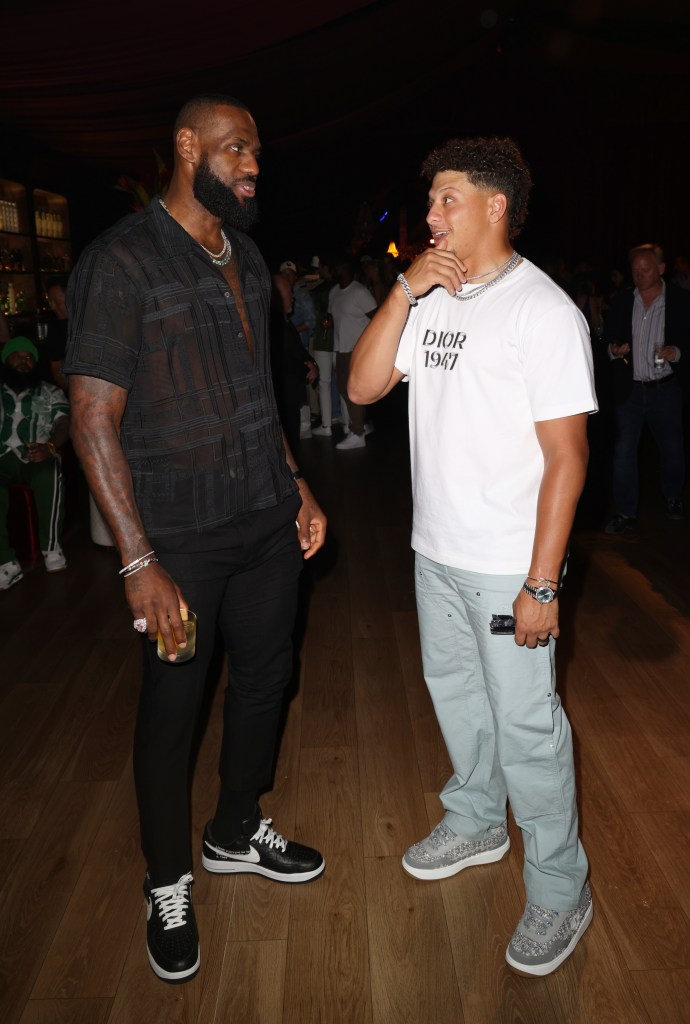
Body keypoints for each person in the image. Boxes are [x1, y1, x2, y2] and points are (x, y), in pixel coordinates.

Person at [64, 94, 327, 985]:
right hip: (178, 539)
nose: (254, 165)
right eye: (237, 149)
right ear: (187, 147)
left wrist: (293, 482)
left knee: (267, 677)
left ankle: (233, 829)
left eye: (258, 151)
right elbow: (93, 417)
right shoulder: (121, 260)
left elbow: (259, 387)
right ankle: (168, 879)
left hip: (262, 517)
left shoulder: (245, 255)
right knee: (172, 710)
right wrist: (138, 559)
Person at [349, 136, 597, 977]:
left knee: (530, 728)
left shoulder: (544, 311)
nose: (430, 215)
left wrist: (541, 582)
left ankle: (562, 888)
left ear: (496, 206)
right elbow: (363, 386)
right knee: (457, 698)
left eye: (446, 199)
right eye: (429, 202)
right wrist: (403, 289)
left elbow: (568, 458)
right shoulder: (433, 298)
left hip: (506, 564)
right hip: (436, 553)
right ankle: (478, 816)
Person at [604, 244, 690, 534]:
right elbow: (607, 341)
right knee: (623, 450)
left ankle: (673, 496)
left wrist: (676, 352)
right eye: (635, 271)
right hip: (630, 391)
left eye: (645, 270)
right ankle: (626, 513)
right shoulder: (622, 302)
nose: (638, 276)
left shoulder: (680, 301)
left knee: (672, 447)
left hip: (665, 388)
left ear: (661, 269)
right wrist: (614, 350)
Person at [0, 336, 70, 589]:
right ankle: (6, 562)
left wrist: (51, 447)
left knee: (49, 473)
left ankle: (51, 548)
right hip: (1, 458)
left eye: (29, 357)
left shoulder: (50, 391)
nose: (23, 361)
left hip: (37, 454)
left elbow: (64, 422)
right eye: (17, 355)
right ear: (6, 360)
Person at [329, 257, 376, 450]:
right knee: (342, 387)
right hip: (341, 347)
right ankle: (361, 424)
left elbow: (377, 317)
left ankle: (357, 433)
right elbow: (332, 319)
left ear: (345, 267)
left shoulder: (359, 291)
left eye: (337, 265)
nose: (334, 268)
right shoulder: (334, 292)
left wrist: (370, 346)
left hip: (357, 348)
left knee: (353, 390)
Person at [43, 274, 70, 391]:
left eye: (57, 302)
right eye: (50, 301)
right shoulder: (55, 326)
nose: (53, 307)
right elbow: (56, 366)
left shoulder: (91, 322)